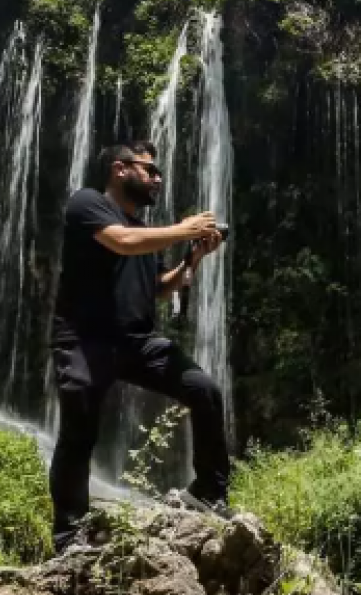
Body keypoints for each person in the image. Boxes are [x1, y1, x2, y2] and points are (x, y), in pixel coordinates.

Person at [48, 140, 231, 553]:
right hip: (84, 338)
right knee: (79, 432)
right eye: (150, 170)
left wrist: (194, 255)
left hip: (137, 341)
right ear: (120, 169)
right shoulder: (87, 203)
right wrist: (185, 228)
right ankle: (68, 535)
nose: (158, 178)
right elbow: (122, 243)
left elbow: (164, 288)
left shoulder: (148, 234)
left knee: (205, 390)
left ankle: (207, 491)